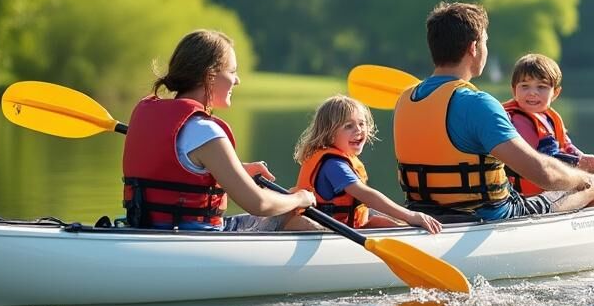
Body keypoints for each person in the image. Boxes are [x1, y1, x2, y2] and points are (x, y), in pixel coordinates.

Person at [393, 2, 594, 220]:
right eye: (485, 42)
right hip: (488, 217)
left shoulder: (406, 98)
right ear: (473, 48)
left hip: (424, 215)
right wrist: (581, 178)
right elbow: (543, 173)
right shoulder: (478, 103)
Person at [121, 29, 316, 231]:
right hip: (192, 235)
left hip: (147, 227)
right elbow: (259, 204)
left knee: (286, 213)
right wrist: (298, 198)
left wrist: (235, 171)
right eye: (232, 72)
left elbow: (179, 175)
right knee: (295, 219)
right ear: (210, 76)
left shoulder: (158, 120)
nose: (237, 80)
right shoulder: (205, 132)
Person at [293, 95, 444, 234]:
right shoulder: (334, 165)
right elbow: (366, 196)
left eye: (361, 124)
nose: (358, 130)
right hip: (322, 230)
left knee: (384, 222)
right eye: (348, 126)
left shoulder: (342, 159)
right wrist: (411, 215)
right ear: (329, 133)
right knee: (394, 220)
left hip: (348, 226)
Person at [503, 53, 594, 203]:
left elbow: (567, 147)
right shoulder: (518, 121)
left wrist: (589, 161)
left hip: (557, 181)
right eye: (525, 86)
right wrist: (581, 163)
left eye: (541, 87)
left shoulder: (549, 117)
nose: (533, 92)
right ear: (514, 91)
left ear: (555, 93)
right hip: (534, 197)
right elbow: (541, 160)